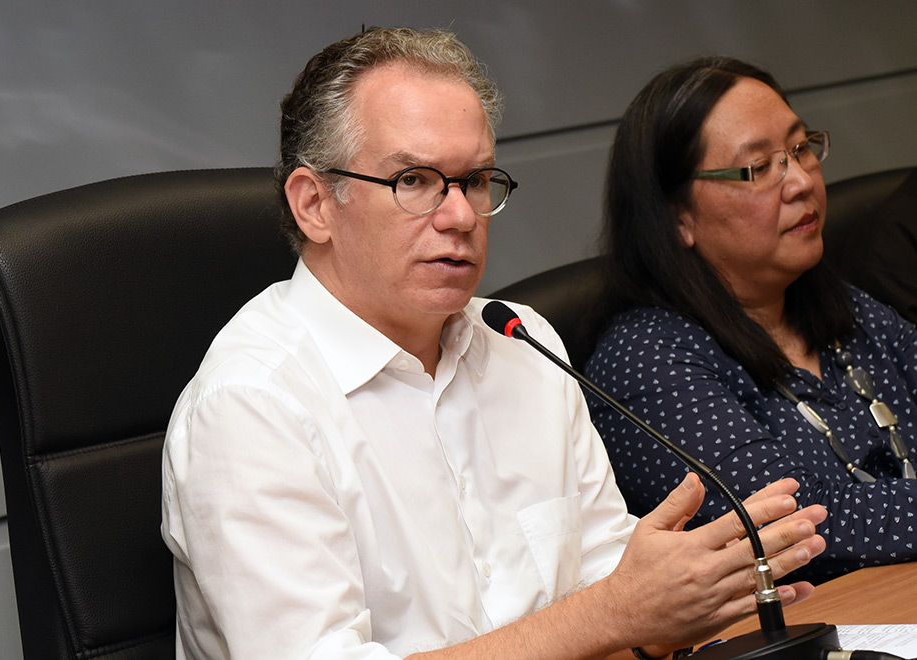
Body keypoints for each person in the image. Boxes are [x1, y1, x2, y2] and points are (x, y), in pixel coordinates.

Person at [161, 32, 826, 660]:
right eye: (414, 181)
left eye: (475, 180)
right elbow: (604, 611)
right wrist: (617, 613)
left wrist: (687, 604)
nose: (459, 216)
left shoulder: (524, 342)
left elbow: (606, 578)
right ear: (314, 205)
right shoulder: (250, 405)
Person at [584, 56, 917, 585]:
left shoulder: (840, 306)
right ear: (678, 219)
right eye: (759, 168)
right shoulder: (645, 361)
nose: (802, 181)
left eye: (801, 148)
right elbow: (789, 526)